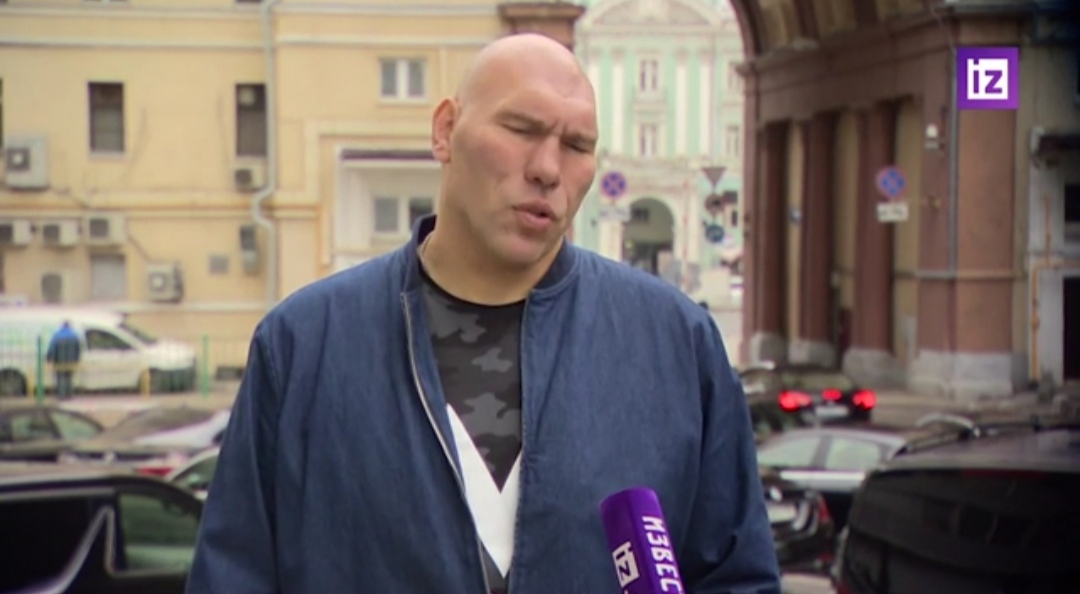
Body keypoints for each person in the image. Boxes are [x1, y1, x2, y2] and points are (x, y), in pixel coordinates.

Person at [187, 33, 780, 594]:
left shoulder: (676, 346)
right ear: (445, 130)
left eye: (576, 146)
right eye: (521, 129)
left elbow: (736, 575)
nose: (548, 168)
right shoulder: (304, 346)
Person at [45, 320, 81, 399]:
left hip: (59, 359)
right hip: (71, 360)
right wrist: (77, 359)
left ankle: (61, 395)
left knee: (60, 378)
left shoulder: (57, 335)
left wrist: (48, 358)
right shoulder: (74, 335)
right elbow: (78, 349)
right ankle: (69, 395)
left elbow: (52, 348)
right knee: (69, 377)